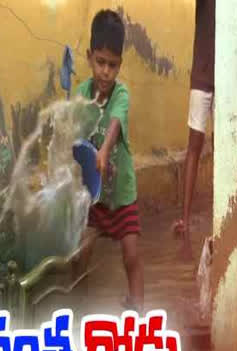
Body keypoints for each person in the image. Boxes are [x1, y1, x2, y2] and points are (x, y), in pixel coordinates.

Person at [75, 9, 144, 313]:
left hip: (121, 195)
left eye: (112, 65)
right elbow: (73, 136)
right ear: (90, 57)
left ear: (120, 65)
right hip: (95, 196)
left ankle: (138, 308)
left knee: (131, 256)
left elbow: (115, 123)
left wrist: (103, 151)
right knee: (80, 254)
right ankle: (79, 304)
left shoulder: (122, 94)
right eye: (100, 63)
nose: (105, 72)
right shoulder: (81, 94)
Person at [172, 0, 214, 259]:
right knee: (194, 146)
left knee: (225, 148)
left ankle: (222, 218)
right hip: (202, 74)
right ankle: (185, 221)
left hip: (229, 75)